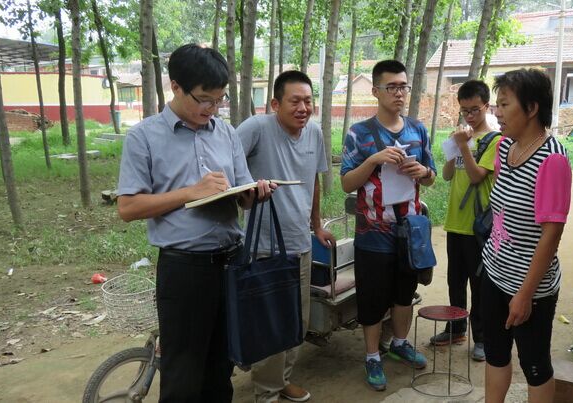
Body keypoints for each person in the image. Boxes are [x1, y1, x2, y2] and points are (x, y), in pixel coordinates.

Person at [116, 44, 273, 403]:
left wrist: (253, 193)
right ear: (175, 86)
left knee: (221, 366)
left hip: (230, 262)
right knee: (183, 373)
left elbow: (239, 189)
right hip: (185, 270)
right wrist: (190, 192)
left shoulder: (226, 133)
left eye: (218, 100)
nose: (211, 109)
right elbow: (127, 207)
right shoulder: (144, 137)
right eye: (203, 99)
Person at [237, 70, 335, 403]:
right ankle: (266, 391)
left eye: (308, 101)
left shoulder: (315, 134)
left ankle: (283, 379)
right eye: (295, 101)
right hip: (263, 244)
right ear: (276, 103)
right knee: (270, 322)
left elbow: (314, 181)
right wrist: (248, 187)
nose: (303, 108)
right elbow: (227, 163)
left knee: (296, 319)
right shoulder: (256, 128)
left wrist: (316, 225)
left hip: (299, 243)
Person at [340, 60, 436, 391]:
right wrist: (372, 160)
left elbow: (433, 176)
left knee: (404, 293)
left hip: (409, 232)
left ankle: (398, 343)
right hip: (372, 233)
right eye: (392, 87)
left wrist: (422, 172)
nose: (399, 93)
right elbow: (346, 184)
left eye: (404, 86)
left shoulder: (417, 130)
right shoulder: (360, 133)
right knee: (371, 297)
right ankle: (371, 356)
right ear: (376, 91)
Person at [482, 68, 572, 403]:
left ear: (532, 108)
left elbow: (551, 235)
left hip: (530, 287)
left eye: (504, 105)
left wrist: (525, 295)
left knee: (534, 364)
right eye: (497, 104)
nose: (497, 112)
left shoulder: (553, 161)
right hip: (493, 273)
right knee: (495, 352)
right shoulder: (504, 148)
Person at [432, 80, 500, 362]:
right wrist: (455, 147)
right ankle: (456, 327)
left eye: (475, 110)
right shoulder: (461, 136)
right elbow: (448, 175)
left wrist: (465, 147)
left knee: (479, 284)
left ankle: (482, 338)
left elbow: (476, 177)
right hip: (455, 223)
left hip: (479, 226)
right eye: (464, 110)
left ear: (486, 106)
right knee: (455, 281)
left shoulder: (495, 140)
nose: (470, 116)